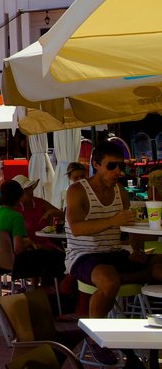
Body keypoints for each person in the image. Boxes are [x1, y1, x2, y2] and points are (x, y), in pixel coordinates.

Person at [65, 140, 162, 364]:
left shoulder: (120, 191)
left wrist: (137, 248)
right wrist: (113, 221)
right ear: (96, 165)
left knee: (158, 266)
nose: (118, 171)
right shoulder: (77, 190)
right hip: (83, 255)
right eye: (112, 166)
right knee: (109, 281)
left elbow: (128, 225)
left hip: (114, 253)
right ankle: (95, 337)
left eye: (121, 166)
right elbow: (77, 228)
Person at [0, 179, 65, 284]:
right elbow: (18, 249)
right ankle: (50, 291)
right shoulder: (16, 217)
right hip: (17, 263)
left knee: (47, 255)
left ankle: (39, 289)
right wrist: (29, 243)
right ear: (19, 196)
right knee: (58, 257)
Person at [13, 175, 65, 251]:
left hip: (47, 246)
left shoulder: (39, 202)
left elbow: (64, 215)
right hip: (29, 249)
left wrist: (52, 212)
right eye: (27, 190)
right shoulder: (15, 209)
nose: (31, 191)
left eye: (30, 188)